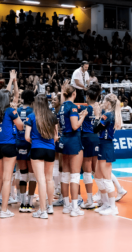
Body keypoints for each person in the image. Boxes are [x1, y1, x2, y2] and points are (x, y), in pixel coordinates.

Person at [0, 71, 24, 218]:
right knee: (7, 179)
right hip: (8, 146)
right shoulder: (11, 111)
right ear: (7, 99)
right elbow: (21, 126)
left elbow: (7, 94)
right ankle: (4, 211)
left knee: (0, 177)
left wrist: (12, 81)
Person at [25, 94, 58, 219]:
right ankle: (50, 206)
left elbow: (27, 137)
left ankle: (42, 211)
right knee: (49, 179)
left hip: (37, 149)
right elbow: (56, 137)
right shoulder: (52, 117)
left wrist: (35, 143)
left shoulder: (31, 116)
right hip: (50, 149)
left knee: (41, 180)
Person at [59, 83, 88, 217]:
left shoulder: (62, 107)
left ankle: (66, 205)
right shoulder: (72, 107)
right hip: (73, 141)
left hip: (64, 140)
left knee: (65, 174)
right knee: (75, 175)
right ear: (74, 94)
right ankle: (75, 208)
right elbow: (75, 126)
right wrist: (83, 116)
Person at [93, 93, 124, 216]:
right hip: (103, 145)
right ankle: (106, 204)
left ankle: (113, 207)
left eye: (104, 101)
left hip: (106, 146)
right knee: (98, 176)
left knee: (106, 178)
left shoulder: (107, 115)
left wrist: (96, 115)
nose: (102, 103)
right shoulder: (110, 115)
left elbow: (95, 128)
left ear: (109, 103)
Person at [77, 83, 102, 209]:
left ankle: (90, 200)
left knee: (87, 171)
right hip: (96, 138)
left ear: (87, 96)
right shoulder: (98, 109)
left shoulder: (85, 108)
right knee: (96, 170)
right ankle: (103, 198)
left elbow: (70, 106)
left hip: (86, 138)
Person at [16, 90, 35, 213]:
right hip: (31, 143)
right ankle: (30, 202)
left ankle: (22, 203)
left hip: (19, 143)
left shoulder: (16, 111)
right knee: (32, 175)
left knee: (23, 174)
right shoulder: (33, 112)